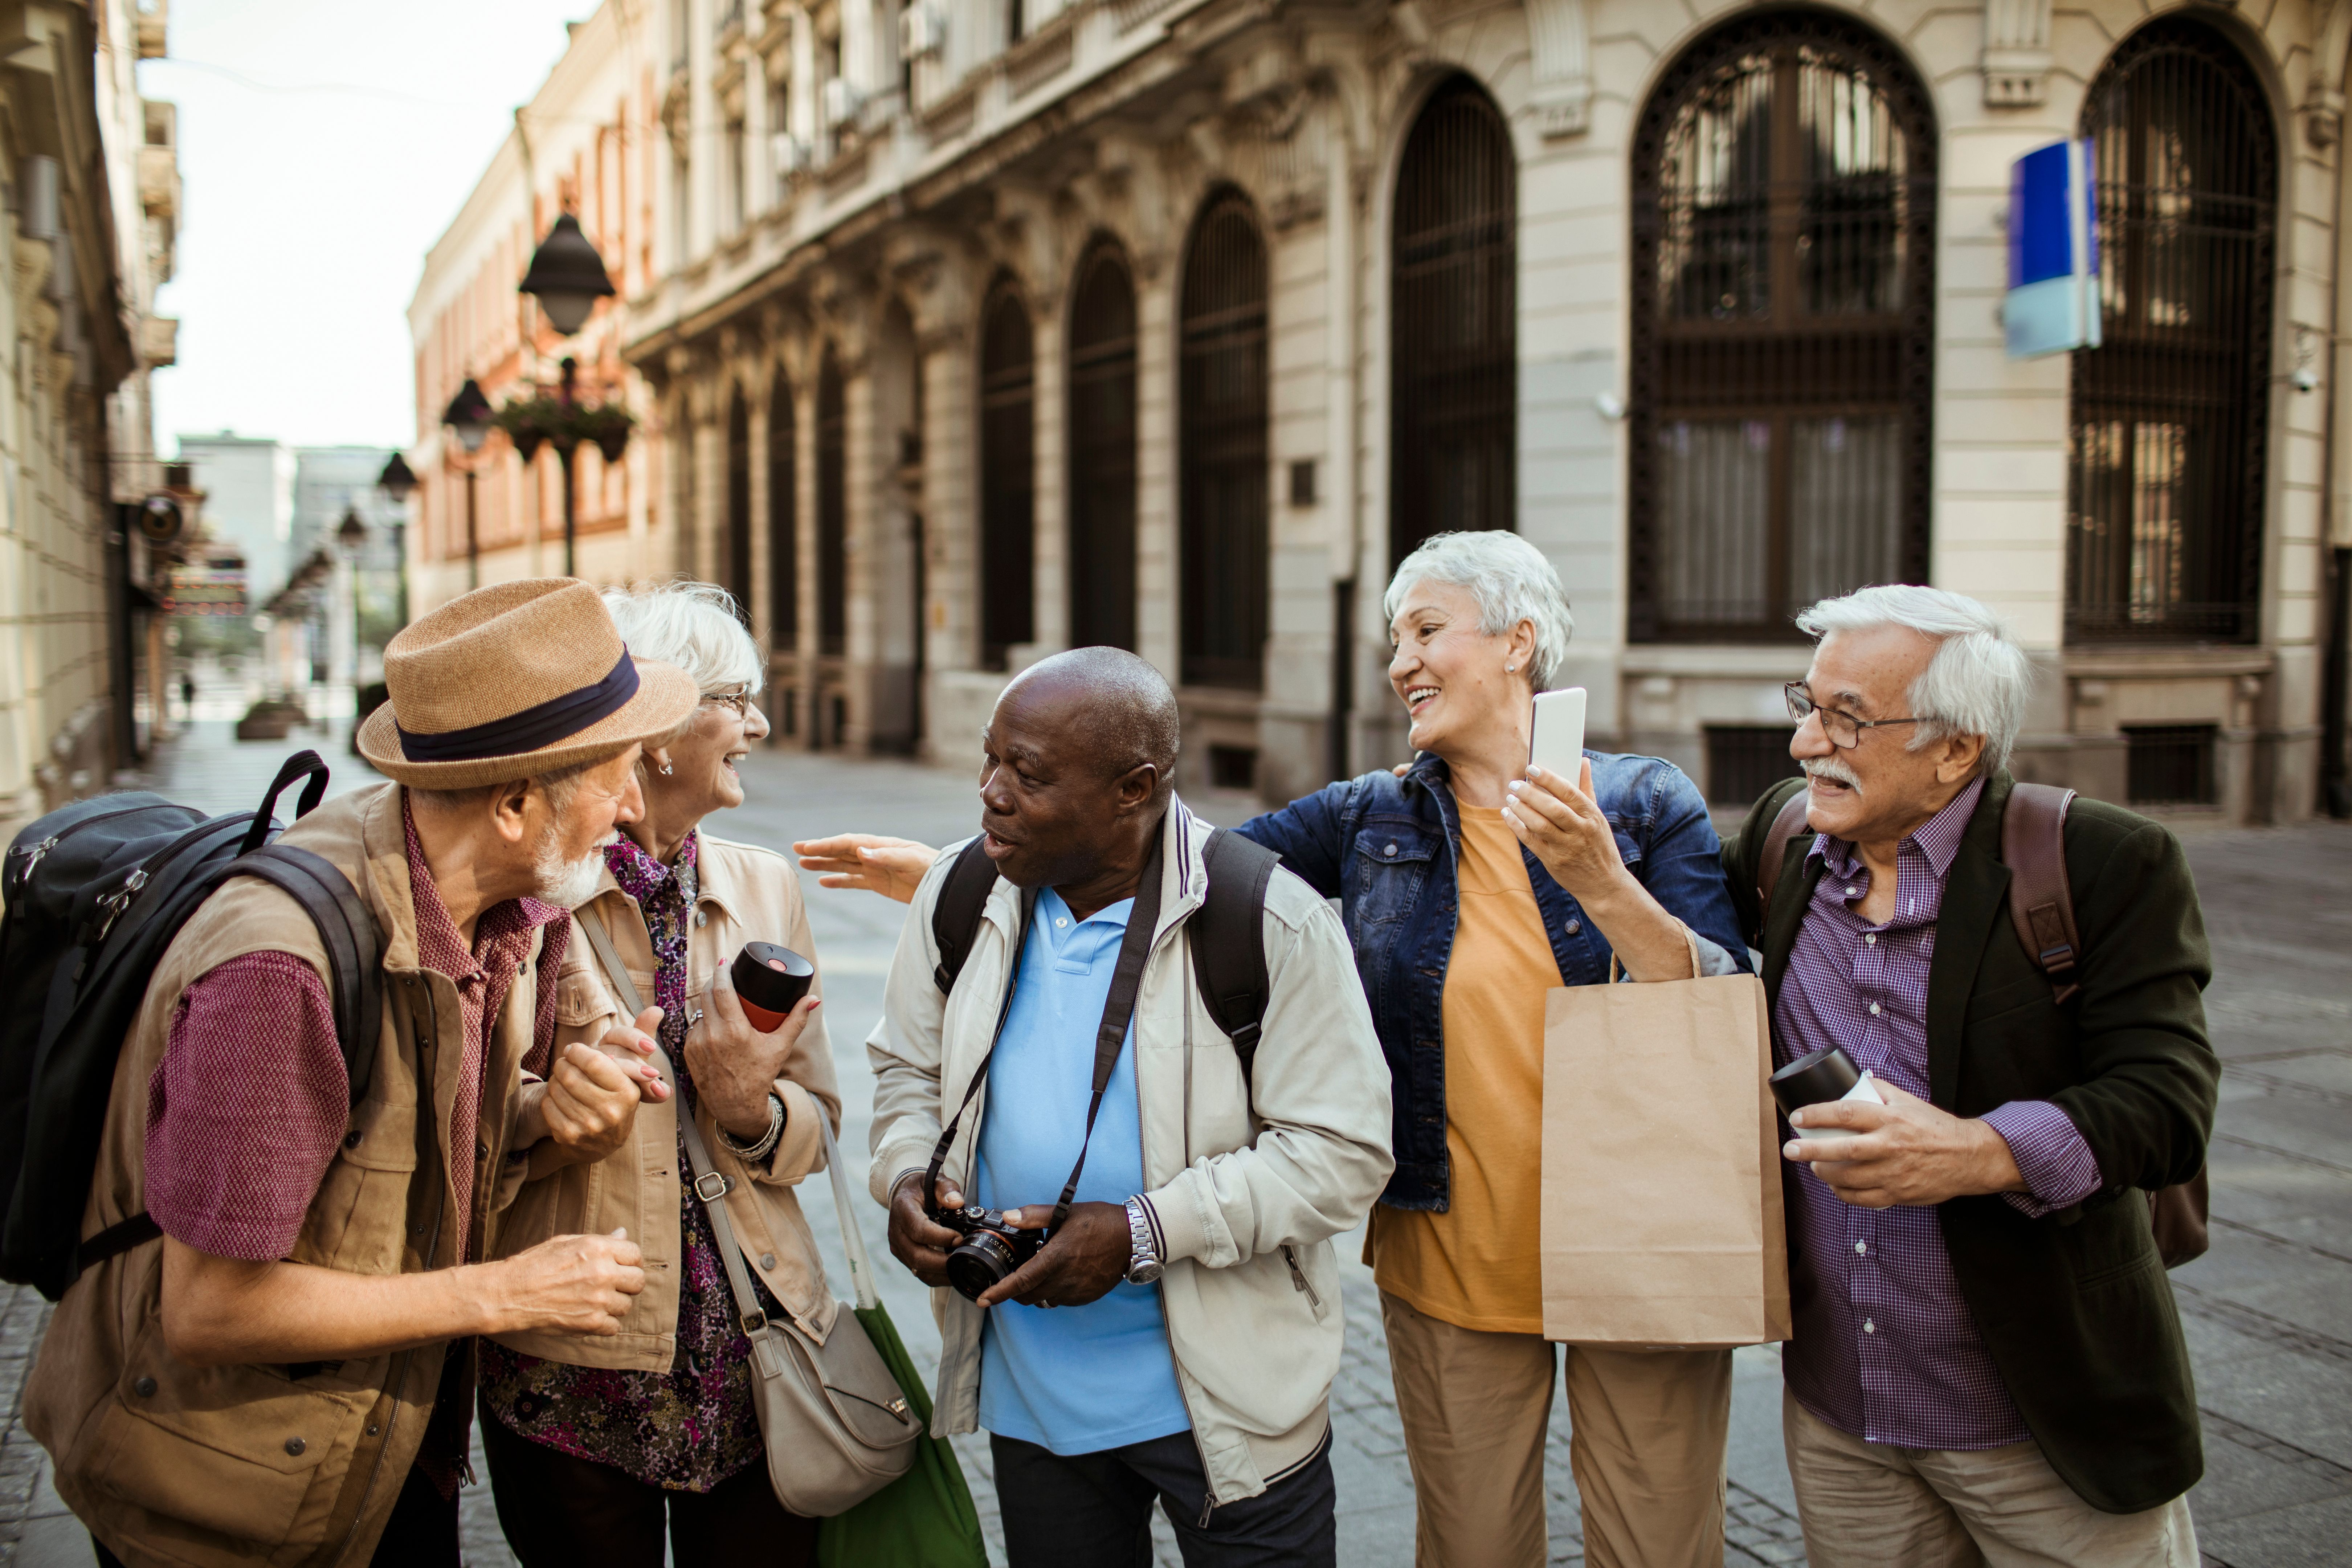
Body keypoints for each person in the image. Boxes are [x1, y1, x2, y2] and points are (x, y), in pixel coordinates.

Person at [803, 530, 1753, 1568]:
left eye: (1428, 630)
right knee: (1475, 1545)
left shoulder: (1646, 802)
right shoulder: (1374, 814)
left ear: (1521, 640)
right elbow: (1171, 850)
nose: (1402, 663)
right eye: (1396, 639)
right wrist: (963, 869)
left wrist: (1599, 879)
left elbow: (1718, 1007)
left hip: (1635, 1232)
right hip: (1454, 1249)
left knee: (1659, 1539)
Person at [26, 577, 698, 1568]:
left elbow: (400, 1141)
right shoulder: (276, 972)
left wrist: (551, 1114)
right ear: (514, 803)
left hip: (379, 1462)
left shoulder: (511, 910)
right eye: (620, 772)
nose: (639, 807)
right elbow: (211, 1310)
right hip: (220, 1504)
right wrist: (506, 1294)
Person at [865, 646, 1392, 1567]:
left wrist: (1145, 1232)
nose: (990, 792)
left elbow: (1342, 1154)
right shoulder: (960, 890)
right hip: (1037, 1407)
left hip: (1232, 1411)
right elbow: (906, 1072)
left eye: (1026, 773)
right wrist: (910, 1175)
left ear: (1133, 788)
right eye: (989, 761)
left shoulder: (1270, 919)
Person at [1720, 584, 2214, 1567]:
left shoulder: (2102, 861)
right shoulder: (1786, 841)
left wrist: (1977, 1152)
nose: (1803, 744)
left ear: (1956, 749)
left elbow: (2167, 1103)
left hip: (2042, 1421)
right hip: (1842, 1415)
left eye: (1846, 719)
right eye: (1805, 705)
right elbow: (1684, 954)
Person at [479, 582, 838, 1567]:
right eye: (738, 698)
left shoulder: (763, 883)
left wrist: (754, 1110)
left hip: (753, 1350)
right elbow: (459, 1123)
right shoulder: (525, 896)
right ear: (660, 721)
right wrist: (549, 1113)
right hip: (577, 1355)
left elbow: (819, 1125)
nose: (760, 723)